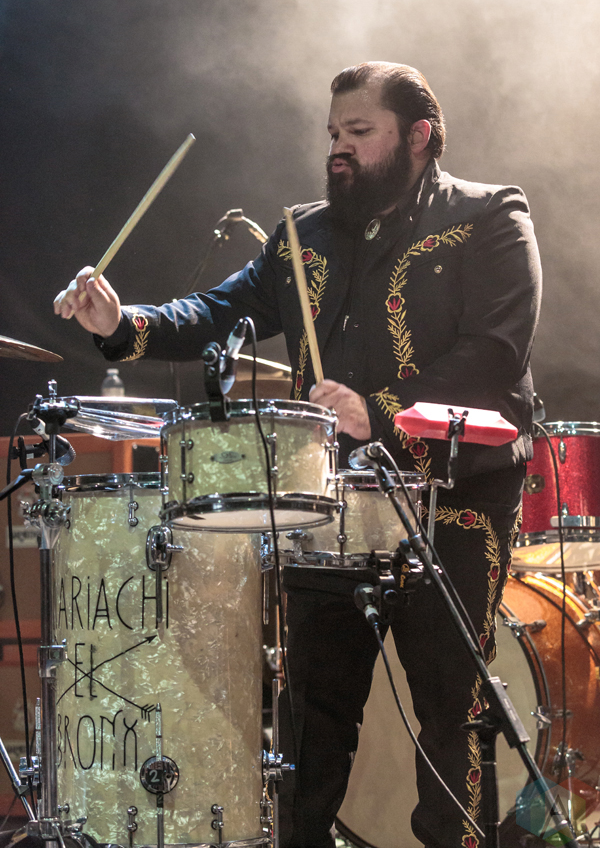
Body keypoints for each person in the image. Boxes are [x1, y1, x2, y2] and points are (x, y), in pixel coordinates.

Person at [54, 62, 542, 848]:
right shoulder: (303, 235)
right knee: (310, 717)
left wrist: (377, 411)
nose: (338, 148)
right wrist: (122, 322)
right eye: (333, 133)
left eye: (359, 132)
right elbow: (216, 310)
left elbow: (495, 354)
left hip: (451, 497)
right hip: (333, 501)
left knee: (453, 709)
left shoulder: (488, 217)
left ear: (419, 136)